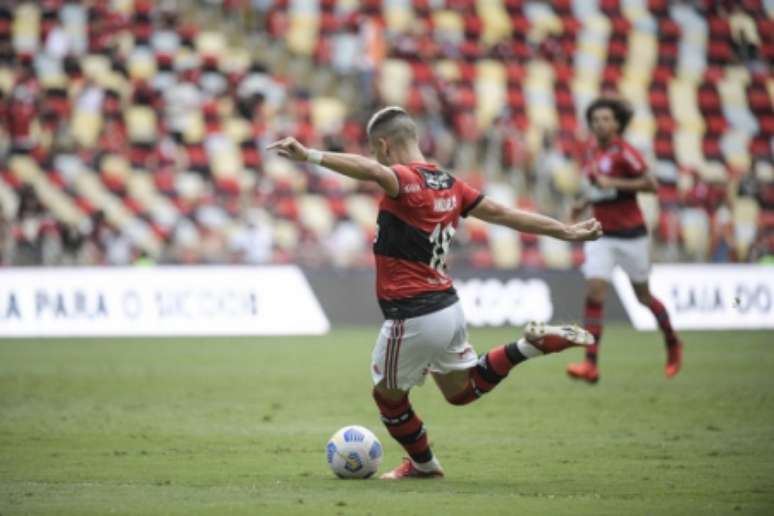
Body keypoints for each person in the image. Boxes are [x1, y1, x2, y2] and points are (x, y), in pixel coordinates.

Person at [268, 106, 602, 480]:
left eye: (377, 151)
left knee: (388, 398)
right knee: (461, 391)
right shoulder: (452, 184)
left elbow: (374, 171)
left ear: (384, 145)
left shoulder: (404, 179)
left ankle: (424, 466)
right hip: (448, 308)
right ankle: (530, 346)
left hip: (412, 314)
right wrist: (567, 232)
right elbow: (507, 214)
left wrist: (310, 155)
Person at [565, 97, 683, 384]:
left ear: (616, 123)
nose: (600, 124)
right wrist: (582, 203)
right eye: (595, 120)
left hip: (631, 235)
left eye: (606, 119)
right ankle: (590, 364)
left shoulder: (626, 153)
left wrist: (615, 183)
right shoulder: (592, 151)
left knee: (643, 297)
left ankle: (672, 342)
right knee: (594, 290)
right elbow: (599, 188)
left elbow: (651, 185)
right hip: (601, 234)